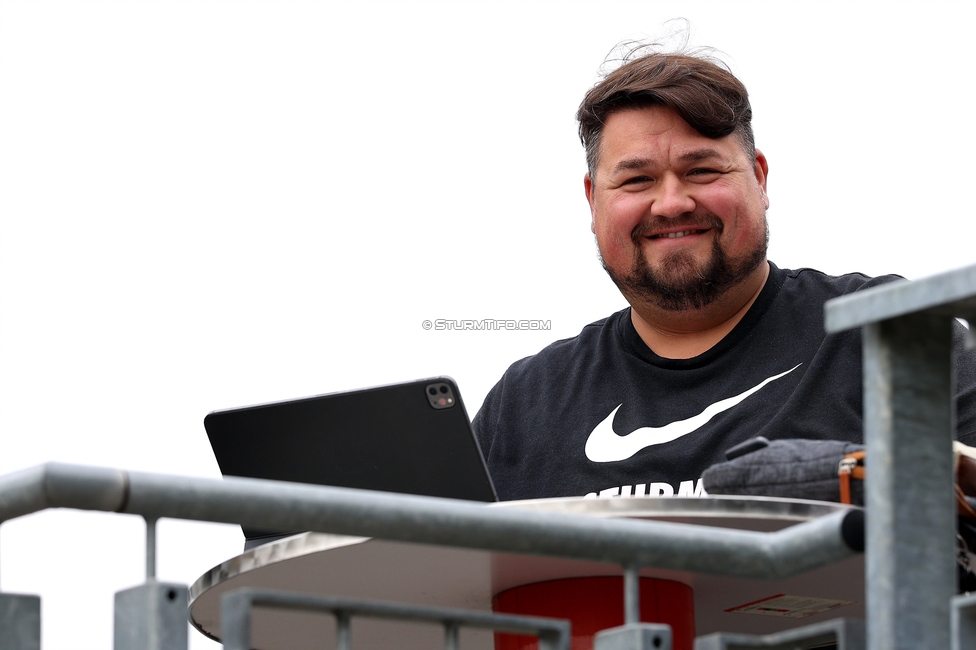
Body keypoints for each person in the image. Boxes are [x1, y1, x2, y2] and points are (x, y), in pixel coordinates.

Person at [472, 47, 976, 501]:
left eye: (702, 171)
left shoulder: (887, 335)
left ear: (758, 178)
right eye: (637, 179)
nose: (671, 203)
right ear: (592, 200)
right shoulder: (523, 404)